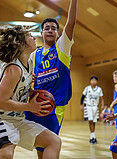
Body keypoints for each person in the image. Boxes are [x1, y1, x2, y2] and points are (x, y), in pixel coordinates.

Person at [0, 24, 61, 159]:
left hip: (16, 119)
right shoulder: (14, 68)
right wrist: (30, 107)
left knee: (54, 141)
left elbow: (19, 90)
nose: (34, 38)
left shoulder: (29, 62)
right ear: (21, 44)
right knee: (6, 153)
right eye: (29, 36)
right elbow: (0, 101)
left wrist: (31, 93)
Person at [24, 0, 77, 157]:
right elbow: (26, 78)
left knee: (51, 143)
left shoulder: (62, 48)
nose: (50, 30)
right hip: (35, 103)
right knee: (40, 148)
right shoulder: (34, 55)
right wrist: (29, 82)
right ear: (41, 33)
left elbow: (71, 22)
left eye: (54, 28)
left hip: (55, 105)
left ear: (58, 34)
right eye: (46, 28)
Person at [80, 76, 104, 144]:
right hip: (88, 106)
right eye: (92, 80)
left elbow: (102, 98)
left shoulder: (99, 89)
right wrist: (81, 105)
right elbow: (82, 97)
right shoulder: (87, 88)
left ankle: (93, 137)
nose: (93, 81)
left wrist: (102, 105)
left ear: (97, 82)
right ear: (90, 81)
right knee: (90, 120)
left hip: (95, 106)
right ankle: (92, 136)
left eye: (94, 80)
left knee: (94, 121)